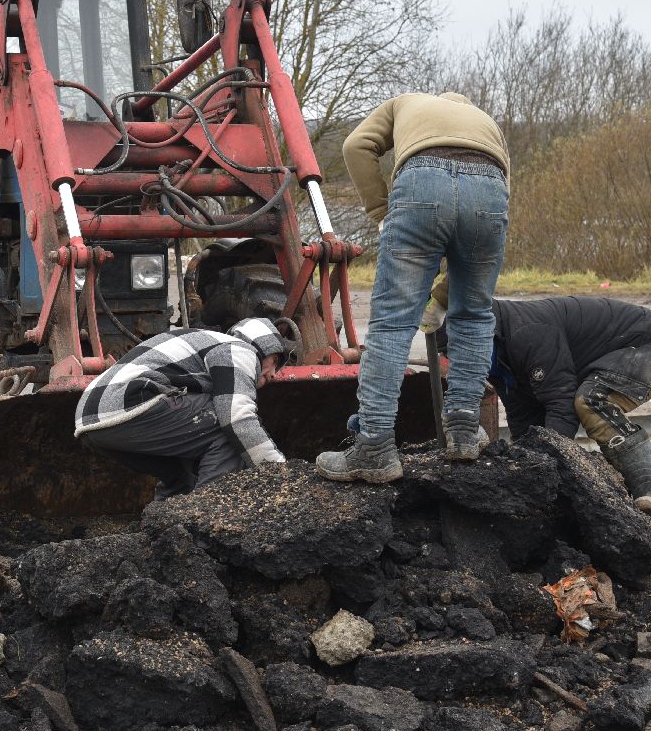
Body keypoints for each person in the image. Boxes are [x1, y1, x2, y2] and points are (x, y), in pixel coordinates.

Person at [316, 92, 510, 482]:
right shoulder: (487, 125)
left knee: (392, 323)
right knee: (474, 317)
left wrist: (381, 212)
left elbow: (356, 146)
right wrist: (442, 299)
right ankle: (463, 432)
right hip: (490, 187)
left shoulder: (405, 102)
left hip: (422, 182)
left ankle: (374, 449)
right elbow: (498, 209)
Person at [451, 289, 651, 517]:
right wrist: (525, 467)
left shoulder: (526, 334)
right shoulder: (495, 353)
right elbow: (523, 415)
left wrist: (544, 467)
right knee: (548, 417)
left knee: (591, 402)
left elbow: (561, 404)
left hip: (649, 348)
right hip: (605, 358)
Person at [75, 318, 288, 498]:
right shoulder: (239, 349)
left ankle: (167, 525)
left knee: (182, 474)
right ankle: (207, 517)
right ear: (262, 346)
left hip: (90, 420)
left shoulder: (206, 344)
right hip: (128, 403)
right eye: (275, 360)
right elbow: (237, 419)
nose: (273, 374)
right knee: (228, 429)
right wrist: (284, 476)